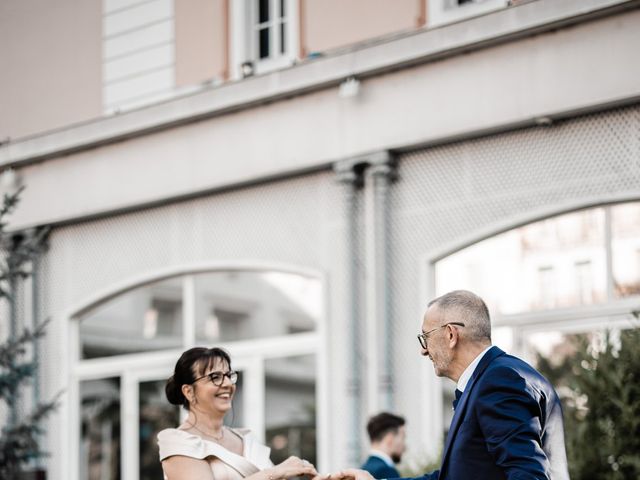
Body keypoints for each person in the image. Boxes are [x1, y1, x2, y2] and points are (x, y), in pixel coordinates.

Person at [335, 290, 569, 480]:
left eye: (425, 337)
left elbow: (527, 474)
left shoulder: (498, 381)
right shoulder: (505, 376)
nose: (423, 349)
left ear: (450, 335)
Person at [158, 347, 319, 480]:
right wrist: (276, 472)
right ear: (189, 391)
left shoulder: (247, 440)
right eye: (215, 377)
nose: (228, 383)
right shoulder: (177, 441)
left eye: (229, 376)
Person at [361, 412, 406, 479]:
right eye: (403, 438)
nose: (404, 446)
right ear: (390, 439)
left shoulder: (363, 470)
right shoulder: (386, 471)